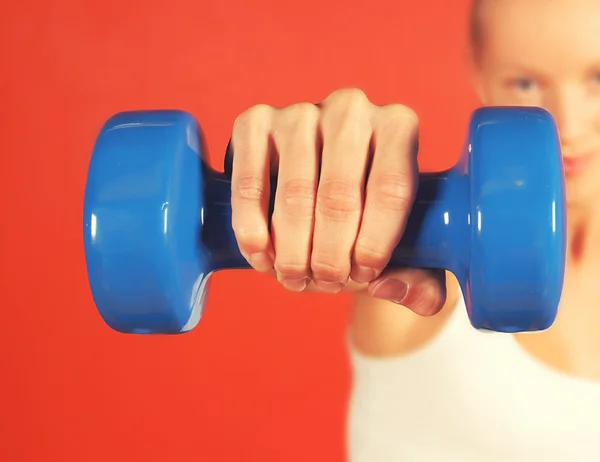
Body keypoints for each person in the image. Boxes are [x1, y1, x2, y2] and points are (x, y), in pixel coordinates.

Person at [225, 0, 600, 460]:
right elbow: (336, 227)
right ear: (479, 72)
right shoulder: (406, 248)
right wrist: (304, 170)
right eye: (525, 82)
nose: (570, 123)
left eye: (599, 79)